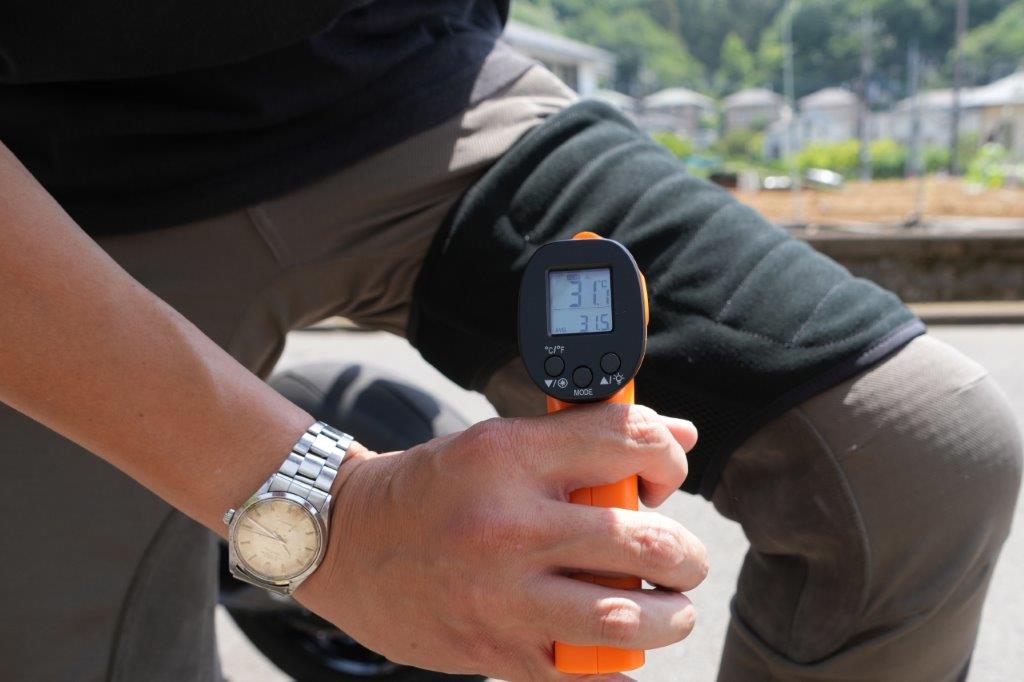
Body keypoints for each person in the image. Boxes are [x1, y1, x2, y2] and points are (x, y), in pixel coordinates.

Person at [0, 2, 1018, 681]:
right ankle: (269, 506)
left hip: (412, 89)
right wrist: (333, 512)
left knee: (919, 453)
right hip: (53, 180)